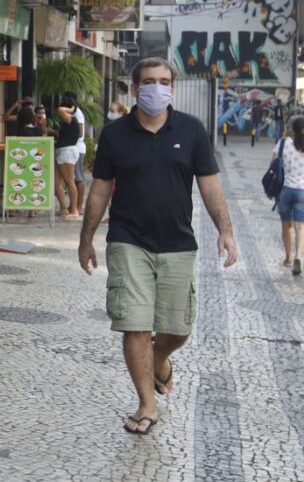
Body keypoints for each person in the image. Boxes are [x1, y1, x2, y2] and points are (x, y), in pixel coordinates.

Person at [78, 57, 237, 435]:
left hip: (178, 242)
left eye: (164, 81)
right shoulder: (115, 134)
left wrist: (226, 231)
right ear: (135, 89)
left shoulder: (192, 131)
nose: (156, 88)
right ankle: (147, 404)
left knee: (178, 327)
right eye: (149, 81)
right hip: (128, 240)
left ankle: (160, 356)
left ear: (172, 88)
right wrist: (86, 239)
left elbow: (210, 185)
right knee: (134, 324)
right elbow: (100, 190)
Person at [276, 117, 304, 275]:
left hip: (285, 190)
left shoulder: (283, 143)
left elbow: (274, 163)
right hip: (303, 191)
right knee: (301, 226)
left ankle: (288, 257)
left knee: (286, 225)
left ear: (292, 128)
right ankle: (299, 256)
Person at [54, 97, 81, 219]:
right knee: (56, 182)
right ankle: (63, 208)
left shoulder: (70, 118)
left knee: (69, 181)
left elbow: (60, 110)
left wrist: (71, 109)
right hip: (62, 150)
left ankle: (74, 210)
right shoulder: (68, 121)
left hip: (67, 150)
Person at [64, 91, 87, 214]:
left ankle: (79, 206)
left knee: (78, 178)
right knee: (73, 178)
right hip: (73, 147)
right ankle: (74, 205)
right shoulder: (71, 113)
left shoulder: (77, 113)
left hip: (77, 147)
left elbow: (80, 132)